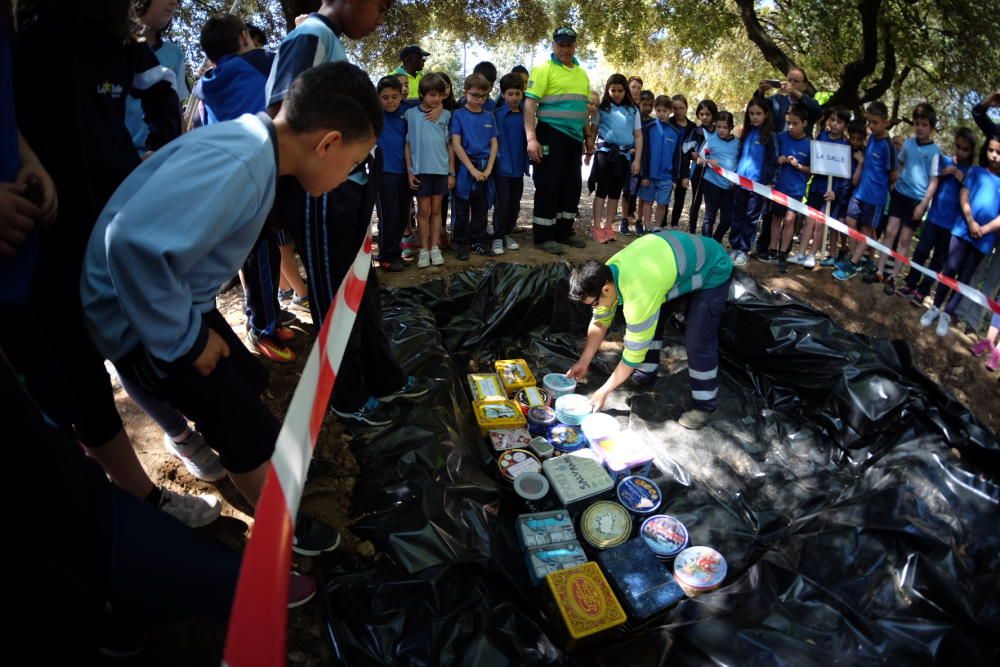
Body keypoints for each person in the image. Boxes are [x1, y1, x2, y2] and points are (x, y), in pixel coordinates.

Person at [82, 61, 380, 557]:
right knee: (234, 419)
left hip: (173, 297)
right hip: (138, 315)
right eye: (355, 162)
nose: (350, 174)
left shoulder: (257, 148)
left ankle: (271, 464)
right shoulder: (242, 165)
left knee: (248, 379)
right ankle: (280, 524)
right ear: (327, 143)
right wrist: (186, 340)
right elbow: (131, 247)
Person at [13, 0, 226, 523]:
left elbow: (151, 108)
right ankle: (140, 500)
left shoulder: (120, 50)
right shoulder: (28, 39)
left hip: (117, 230)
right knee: (78, 379)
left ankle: (184, 436)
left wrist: (156, 158)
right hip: (46, 243)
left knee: (133, 344)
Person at [268, 0, 430, 428]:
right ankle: (345, 394)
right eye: (379, 7)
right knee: (334, 297)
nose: (380, 19)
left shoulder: (325, 41)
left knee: (362, 288)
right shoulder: (308, 39)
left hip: (349, 191)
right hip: (320, 195)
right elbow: (280, 117)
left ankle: (382, 376)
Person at [197, 14, 296, 363]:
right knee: (260, 257)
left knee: (263, 253)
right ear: (243, 38)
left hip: (230, 179)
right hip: (254, 177)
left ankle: (267, 318)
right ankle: (262, 329)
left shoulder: (209, 81)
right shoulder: (259, 62)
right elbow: (297, 54)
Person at [566, 230, 734, 430]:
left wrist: (603, 391)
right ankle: (647, 373)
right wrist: (584, 361)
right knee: (652, 319)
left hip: (712, 267)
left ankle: (706, 404)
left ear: (606, 289)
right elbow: (600, 322)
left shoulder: (639, 296)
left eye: (593, 303)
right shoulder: (606, 273)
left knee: (697, 340)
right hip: (672, 268)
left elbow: (632, 356)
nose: (595, 308)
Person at [919, 135, 1000, 336]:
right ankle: (935, 307)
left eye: (999, 152)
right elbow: (964, 195)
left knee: (965, 277)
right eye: (991, 150)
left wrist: (986, 229)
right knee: (951, 268)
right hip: (962, 229)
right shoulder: (976, 172)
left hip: (984, 238)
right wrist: (971, 221)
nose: (994, 155)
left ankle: (948, 313)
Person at [525, 25, 592, 254]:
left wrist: (587, 137)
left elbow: (582, 109)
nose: (565, 49)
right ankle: (544, 236)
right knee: (548, 185)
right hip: (550, 134)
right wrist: (531, 138)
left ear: (575, 46)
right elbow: (530, 105)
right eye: (561, 44)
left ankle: (564, 231)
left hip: (574, 139)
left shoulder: (582, 73)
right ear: (554, 45)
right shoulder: (544, 70)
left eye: (569, 44)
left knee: (572, 186)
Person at [865, 103, 941, 292]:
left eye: (924, 124)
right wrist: (893, 184)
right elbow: (899, 165)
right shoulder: (907, 143)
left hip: (917, 200)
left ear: (931, 127)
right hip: (900, 194)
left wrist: (923, 204)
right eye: (917, 124)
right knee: (889, 232)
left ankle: (893, 277)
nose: (920, 128)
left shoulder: (935, 152)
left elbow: (933, 182)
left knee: (905, 240)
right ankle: (880, 271)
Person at [899, 128, 976, 305]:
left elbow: (970, 196)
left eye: (965, 149)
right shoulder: (944, 161)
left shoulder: (971, 172)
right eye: (958, 147)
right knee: (920, 252)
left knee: (937, 260)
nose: (961, 152)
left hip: (951, 225)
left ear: (971, 151)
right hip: (933, 218)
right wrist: (942, 174)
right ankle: (910, 283)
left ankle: (923, 291)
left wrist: (963, 180)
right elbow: (932, 184)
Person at [834, 102, 898, 280]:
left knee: (867, 230)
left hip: (876, 197)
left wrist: (880, 184)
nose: (871, 126)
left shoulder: (888, 146)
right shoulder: (870, 139)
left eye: (875, 122)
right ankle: (854, 258)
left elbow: (894, 174)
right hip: (860, 192)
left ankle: (853, 264)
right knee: (850, 222)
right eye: (869, 122)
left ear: (885, 122)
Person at [125, 0, 189, 155]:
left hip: (154, 157)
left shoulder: (175, 54)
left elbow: (176, 108)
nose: (174, 2)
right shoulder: (108, 46)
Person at [792, 105, 852, 268]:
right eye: (832, 120)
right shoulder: (821, 138)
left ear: (845, 125)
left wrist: (837, 193)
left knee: (821, 223)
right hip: (817, 186)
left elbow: (847, 174)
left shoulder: (846, 145)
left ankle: (812, 255)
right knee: (809, 221)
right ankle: (801, 253)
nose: (834, 124)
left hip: (831, 190)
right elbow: (814, 162)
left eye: (839, 122)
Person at [405, 73, 454, 267]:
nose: (437, 99)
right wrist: (410, 170)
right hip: (420, 171)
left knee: (436, 211)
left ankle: (435, 248)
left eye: (440, 95)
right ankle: (424, 250)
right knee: (423, 211)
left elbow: (450, 145)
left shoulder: (447, 114)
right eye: (432, 94)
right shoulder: (410, 114)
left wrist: (451, 172)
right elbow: (407, 144)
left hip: (441, 170)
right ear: (422, 94)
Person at [450, 72, 498, 259]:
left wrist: (488, 169)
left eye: (483, 96)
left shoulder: (489, 116)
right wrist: (471, 169)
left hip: (485, 167)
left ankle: (478, 240)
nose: (479, 99)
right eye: (475, 95)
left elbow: (494, 143)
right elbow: (456, 143)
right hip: (465, 168)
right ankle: (459, 243)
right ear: (466, 92)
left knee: (481, 208)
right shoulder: (459, 115)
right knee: (461, 209)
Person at [591, 74, 642, 243]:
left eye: (620, 90)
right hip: (605, 154)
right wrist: (589, 146)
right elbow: (594, 130)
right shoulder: (603, 108)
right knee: (602, 190)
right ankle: (597, 227)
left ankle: (608, 226)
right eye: (613, 90)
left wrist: (637, 160)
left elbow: (638, 136)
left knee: (615, 193)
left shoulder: (633, 110)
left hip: (624, 156)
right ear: (608, 90)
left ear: (625, 90)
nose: (616, 93)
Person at [728, 95, 778, 266]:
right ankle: (735, 247)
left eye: (758, 113)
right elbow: (740, 156)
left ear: (766, 115)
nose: (754, 117)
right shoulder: (746, 133)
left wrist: (769, 182)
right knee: (737, 216)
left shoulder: (770, 136)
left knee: (751, 218)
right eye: (751, 113)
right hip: (740, 183)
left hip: (757, 186)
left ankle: (743, 250)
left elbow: (772, 161)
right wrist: (734, 175)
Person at [768, 102, 811, 272]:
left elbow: (813, 170)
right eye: (789, 123)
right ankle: (772, 249)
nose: (791, 127)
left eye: (795, 123)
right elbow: (772, 156)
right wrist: (779, 159)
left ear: (805, 123)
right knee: (776, 218)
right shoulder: (781, 137)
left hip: (796, 189)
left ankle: (783, 253)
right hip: (779, 186)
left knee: (790, 219)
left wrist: (798, 166)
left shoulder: (809, 144)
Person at [820, 119, 868, 267]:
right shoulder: (843, 149)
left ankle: (849, 254)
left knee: (847, 225)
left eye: (858, 139)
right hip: (838, 190)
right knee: (834, 224)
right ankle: (833, 254)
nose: (854, 141)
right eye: (852, 138)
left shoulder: (864, 154)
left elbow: (854, 181)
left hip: (853, 195)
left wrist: (860, 162)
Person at [375, 75, 409, 271]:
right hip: (383, 173)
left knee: (402, 215)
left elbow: (430, 104)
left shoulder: (408, 111)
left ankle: (396, 251)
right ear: (378, 97)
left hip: (405, 172)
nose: (390, 101)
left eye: (394, 96)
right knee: (388, 216)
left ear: (400, 96)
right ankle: (386, 255)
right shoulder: (374, 114)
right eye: (385, 97)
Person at [492, 72, 528, 255]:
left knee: (515, 203)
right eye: (510, 94)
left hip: (518, 168)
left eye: (518, 94)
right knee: (503, 202)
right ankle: (497, 237)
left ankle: (507, 233)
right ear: (503, 94)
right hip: (501, 168)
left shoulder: (525, 116)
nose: (514, 98)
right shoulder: (496, 115)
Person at [637, 95, 682, 233]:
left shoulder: (676, 132)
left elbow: (677, 157)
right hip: (650, 175)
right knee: (647, 202)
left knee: (662, 204)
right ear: (655, 111)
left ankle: (657, 227)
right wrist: (644, 174)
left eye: (665, 111)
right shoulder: (649, 128)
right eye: (659, 110)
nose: (661, 114)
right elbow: (644, 152)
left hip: (666, 177)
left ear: (670, 112)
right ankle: (647, 226)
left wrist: (674, 178)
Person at [699, 111, 739, 240]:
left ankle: (715, 241)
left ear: (731, 128)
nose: (721, 130)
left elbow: (740, 163)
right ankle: (706, 245)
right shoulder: (710, 139)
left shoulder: (738, 143)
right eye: (719, 127)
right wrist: (708, 162)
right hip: (711, 182)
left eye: (725, 127)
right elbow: (700, 160)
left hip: (729, 186)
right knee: (709, 217)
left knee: (727, 220)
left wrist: (736, 176)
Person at [622, 89, 655, 236]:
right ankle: (624, 219)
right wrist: (630, 149)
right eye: (644, 104)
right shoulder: (633, 119)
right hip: (632, 162)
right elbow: (627, 137)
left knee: (643, 194)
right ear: (638, 104)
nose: (647, 108)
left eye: (650, 105)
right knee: (628, 192)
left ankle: (639, 221)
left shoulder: (655, 123)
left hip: (647, 164)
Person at [684, 99, 718, 233]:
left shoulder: (718, 131)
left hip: (713, 173)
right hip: (697, 171)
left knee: (710, 205)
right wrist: (692, 153)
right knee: (696, 201)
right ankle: (691, 230)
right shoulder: (696, 131)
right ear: (698, 114)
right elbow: (686, 147)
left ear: (713, 115)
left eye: (708, 114)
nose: (704, 117)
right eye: (702, 114)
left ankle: (706, 233)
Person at [757, 67, 822, 135]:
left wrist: (795, 92)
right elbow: (758, 108)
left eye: (796, 81)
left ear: (804, 86)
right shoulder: (777, 99)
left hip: (800, 144)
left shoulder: (809, 104)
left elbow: (818, 112)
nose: (791, 83)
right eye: (789, 80)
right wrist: (760, 92)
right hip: (778, 143)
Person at [667, 94, 697, 228]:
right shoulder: (668, 123)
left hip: (684, 168)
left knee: (680, 198)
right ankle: (661, 225)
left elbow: (692, 151)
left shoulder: (692, 127)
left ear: (686, 108)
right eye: (675, 108)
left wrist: (686, 175)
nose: (678, 111)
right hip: (668, 167)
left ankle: (674, 224)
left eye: (681, 108)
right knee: (665, 197)